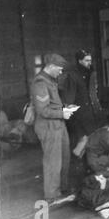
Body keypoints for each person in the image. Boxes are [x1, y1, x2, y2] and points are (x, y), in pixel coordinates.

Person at [31, 53, 73, 202]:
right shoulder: (40, 83)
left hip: (58, 124)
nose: (61, 72)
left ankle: (63, 188)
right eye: (60, 69)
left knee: (64, 157)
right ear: (51, 66)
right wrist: (62, 113)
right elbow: (42, 110)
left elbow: (53, 104)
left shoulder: (51, 80)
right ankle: (52, 195)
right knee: (53, 161)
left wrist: (64, 109)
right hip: (48, 126)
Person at [59, 50, 103, 156]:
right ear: (79, 61)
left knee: (94, 140)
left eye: (90, 60)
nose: (90, 63)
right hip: (81, 115)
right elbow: (69, 98)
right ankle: (82, 165)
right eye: (87, 60)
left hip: (93, 113)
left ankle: (91, 164)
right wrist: (70, 115)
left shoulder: (91, 74)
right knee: (82, 143)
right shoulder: (73, 76)